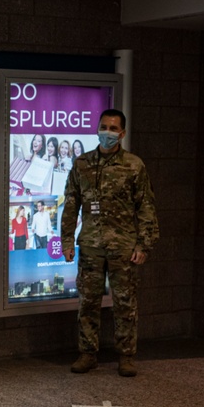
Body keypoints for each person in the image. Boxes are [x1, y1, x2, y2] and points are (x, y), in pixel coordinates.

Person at [61, 109, 158, 377]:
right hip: (91, 246)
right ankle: (87, 354)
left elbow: (146, 207)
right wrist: (66, 241)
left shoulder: (134, 166)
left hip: (123, 248)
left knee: (125, 303)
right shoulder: (82, 164)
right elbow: (71, 204)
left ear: (122, 133)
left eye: (113, 128)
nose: (107, 132)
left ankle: (126, 356)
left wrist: (143, 245)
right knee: (88, 302)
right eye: (104, 127)